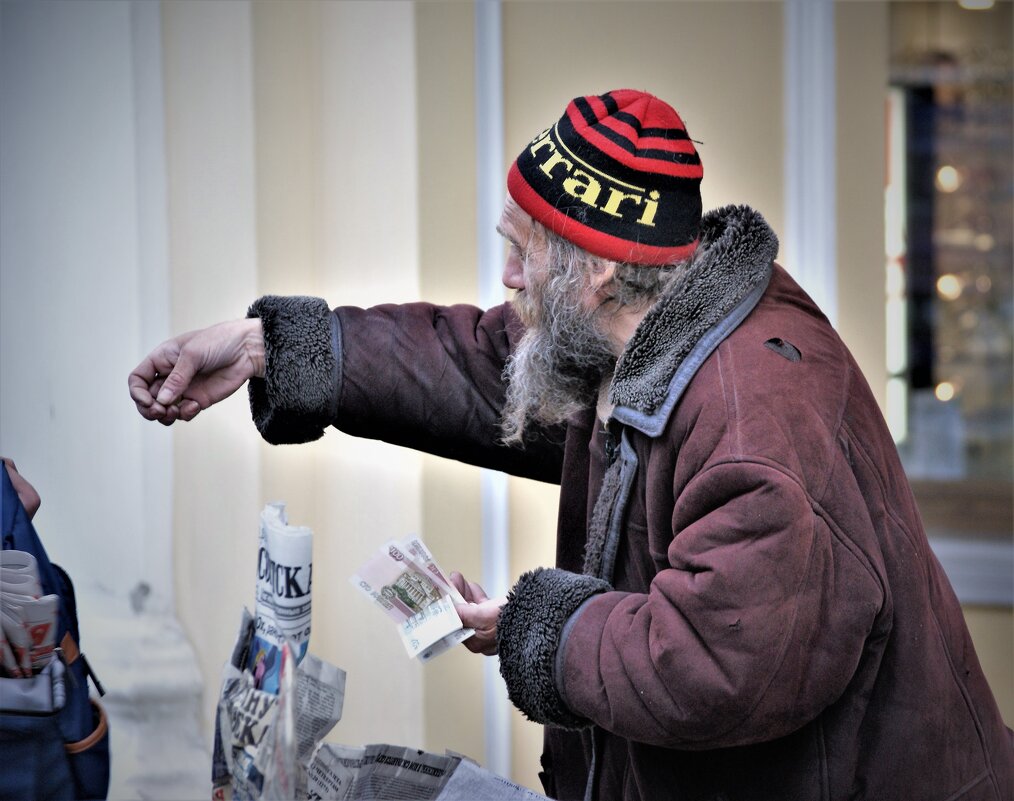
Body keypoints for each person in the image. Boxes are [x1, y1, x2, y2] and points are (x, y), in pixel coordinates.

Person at [128, 90, 1012, 801]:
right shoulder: (642, 333)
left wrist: (535, 627)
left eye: (522, 254)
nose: (507, 279)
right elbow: (477, 367)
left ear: (594, 268)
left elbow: (719, 658)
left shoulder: (755, 419)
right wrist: (263, 349)